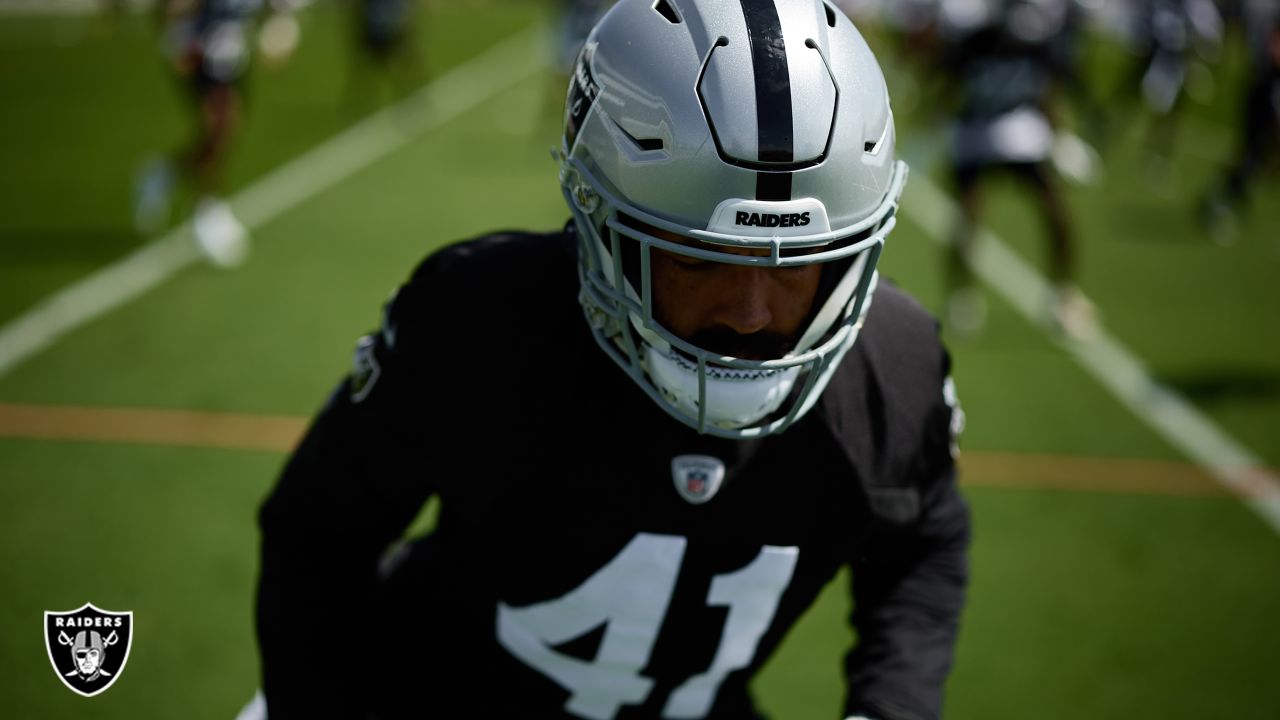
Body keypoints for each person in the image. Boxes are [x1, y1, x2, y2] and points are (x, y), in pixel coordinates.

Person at [253, 1, 970, 719]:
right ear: (598, 219)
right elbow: (318, 530)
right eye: (699, 256)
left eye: (796, 267)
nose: (750, 313)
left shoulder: (889, 369)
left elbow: (923, 544)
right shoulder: (483, 321)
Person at [935, 0, 1095, 338]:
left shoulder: (1035, 41)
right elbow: (949, 86)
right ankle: (961, 294)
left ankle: (1064, 292)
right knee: (966, 218)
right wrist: (934, 126)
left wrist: (1061, 138)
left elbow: (1046, 91)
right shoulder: (973, 42)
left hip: (1019, 131)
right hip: (977, 131)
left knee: (1057, 213)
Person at [134, 0, 299, 267]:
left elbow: (275, 10)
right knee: (221, 126)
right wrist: (178, 35)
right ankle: (207, 211)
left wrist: (280, 30)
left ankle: (165, 173)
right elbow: (171, 10)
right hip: (199, 52)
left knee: (224, 132)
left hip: (232, 57)